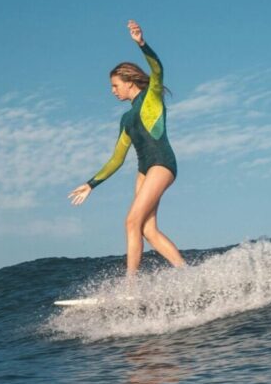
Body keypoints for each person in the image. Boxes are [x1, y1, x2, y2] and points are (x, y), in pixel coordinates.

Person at [69, 20, 186, 275]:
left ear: (129, 81)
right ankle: (187, 274)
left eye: (115, 85)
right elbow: (116, 159)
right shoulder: (125, 120)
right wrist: (91, 184)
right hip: (144, 169)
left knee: (131, 221)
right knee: (147, 229)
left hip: (162, 163)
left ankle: (131, 287)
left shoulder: (151, 97)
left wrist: (142, 44)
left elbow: (157, 69)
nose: (112, 91)